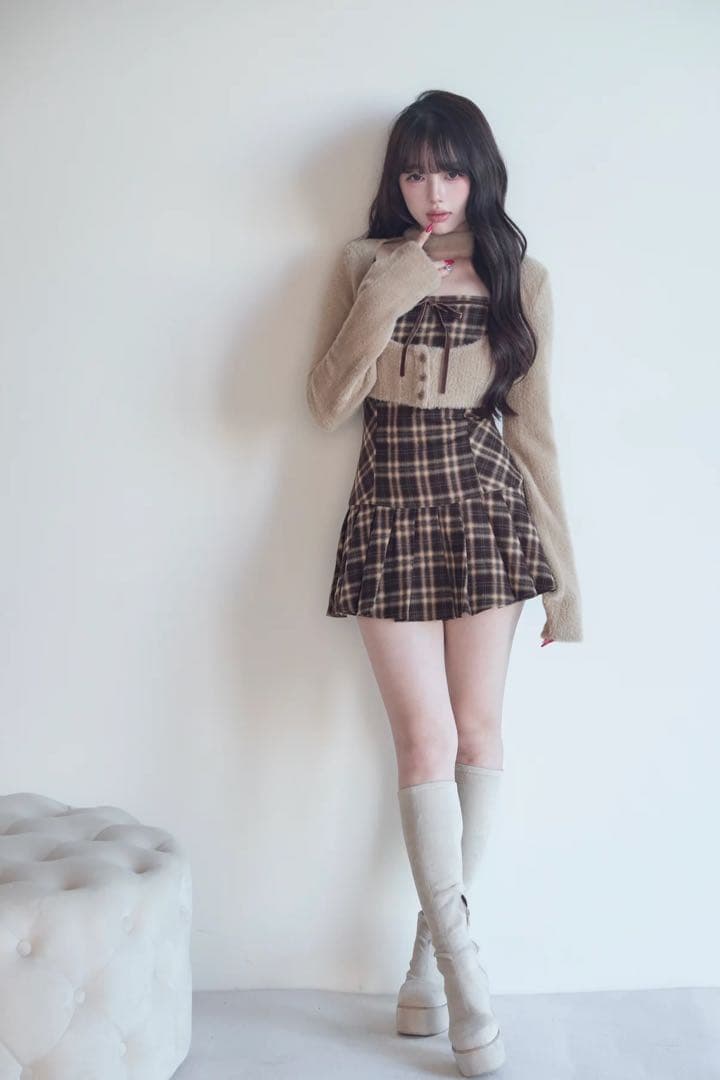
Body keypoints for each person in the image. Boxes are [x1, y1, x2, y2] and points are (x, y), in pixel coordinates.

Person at [305, 89, 583, 1077]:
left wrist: (566, 582)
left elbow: (535, 434)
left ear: (479, 174)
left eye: (451, 170)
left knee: (476, 734)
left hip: (487, 516)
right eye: (417, 171)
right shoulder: (362, 265)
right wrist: (388, 290)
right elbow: (326, 402)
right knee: (422, 741)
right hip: (388, 517)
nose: (434, 190)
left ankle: (428, 961)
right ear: (397, 178)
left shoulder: (521, 277)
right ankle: (466, 978)